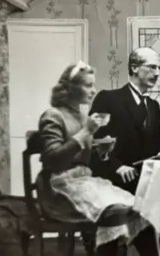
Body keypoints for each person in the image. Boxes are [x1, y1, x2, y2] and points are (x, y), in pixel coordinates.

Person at [36, 61, 149, 256]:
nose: (94, 90)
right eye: (88, 85)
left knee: (135, 207)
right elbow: (54, 160)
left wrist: (100, 150)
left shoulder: (80, 116)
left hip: (81, 183)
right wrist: (87, 131)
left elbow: (79, 156)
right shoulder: (53, 115)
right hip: (58, 189)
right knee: (114, 211)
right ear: (70, 88)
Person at [88, 47, 160, 256]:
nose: (157, 73)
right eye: (151, 67)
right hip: (111, 180)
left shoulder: (153, 107)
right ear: (134, 68)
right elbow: (95, 142)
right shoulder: (108, 99)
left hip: (141, 183)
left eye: (158, 68)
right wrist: (117, 166)